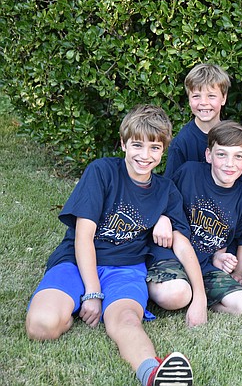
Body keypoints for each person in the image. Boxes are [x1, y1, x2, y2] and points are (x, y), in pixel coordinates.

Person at [25, 104, 202, 386]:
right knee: (41, 326)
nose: (145, 156)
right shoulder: (102, 172)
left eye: (154, 148)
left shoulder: (166, 191)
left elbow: (182, 246)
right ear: (123, 144)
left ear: (163, 150)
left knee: (125, 322)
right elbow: (84, 235)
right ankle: (70, 311)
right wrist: (92, 292)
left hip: (125, 269)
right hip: (76, 260)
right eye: (137, 145)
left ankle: (152, 374)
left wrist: (200, 297)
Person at [147, 120, 242, 317]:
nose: (229, 164)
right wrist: (161, 216)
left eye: (238, 156)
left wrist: (223, 259)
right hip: (170, 255)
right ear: (209, 155)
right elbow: (160, 194)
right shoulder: (189, 173)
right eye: (221, 154)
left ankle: (202, 298)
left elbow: (236, 237)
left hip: (205, 265)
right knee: (175, 295)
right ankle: (184, 292)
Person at [163, 63, 230, 178]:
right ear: (189, 100)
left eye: (211, 96)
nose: (203, 102)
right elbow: (170, 187)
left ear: (223, 98)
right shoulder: (181, 143)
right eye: (196, 96)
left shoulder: (232, 137)